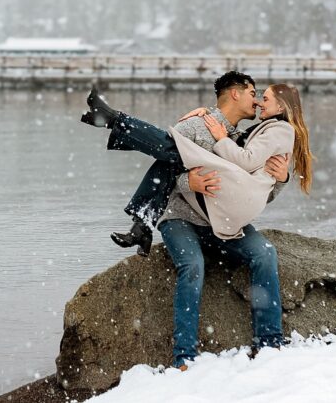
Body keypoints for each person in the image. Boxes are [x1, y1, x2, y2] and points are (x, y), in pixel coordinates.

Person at [80, 72, 315, 369]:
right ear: (235, 94)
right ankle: (184, 357)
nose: (256, 100)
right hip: (181, 216)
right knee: (193, 265)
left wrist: (281, 179)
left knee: (265, 253)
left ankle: (269, 343)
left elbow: (257, 192)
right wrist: (189, 182)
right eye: (253, 93)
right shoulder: (195, 125)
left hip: (223, 222)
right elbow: (163, 174)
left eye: (261, 97)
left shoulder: (245, 137)